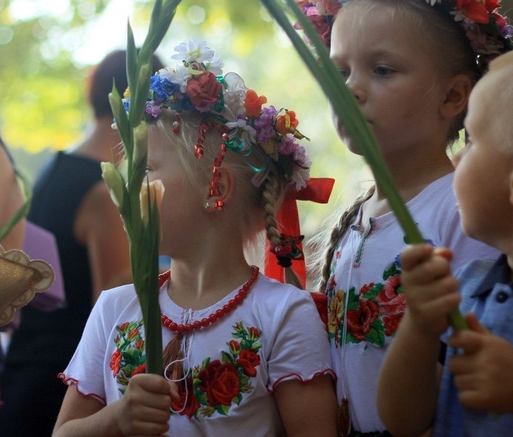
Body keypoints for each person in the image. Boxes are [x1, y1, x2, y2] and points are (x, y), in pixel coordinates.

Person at [53, 40, 337, 436]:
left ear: (215, 187)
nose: (131, 186)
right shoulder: (115, 309)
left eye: (147, 169)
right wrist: (117, 418)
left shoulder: (284, 315)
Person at [296, 0, 513, 434]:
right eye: (340, 71)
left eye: (381, 69)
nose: (351, 88)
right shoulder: (351, 221)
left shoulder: (463, 211)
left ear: (454, 96)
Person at [0, 49, 162, 436]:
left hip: (23, 370)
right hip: (59, 391)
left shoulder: (56, 170)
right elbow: (120, 306)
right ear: (144, 107)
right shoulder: (102, 192)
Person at [378, 48, 513, 435]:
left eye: (471, 141)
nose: (456, 161)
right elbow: (403, 420)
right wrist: (421, 326)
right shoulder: (468, 286)